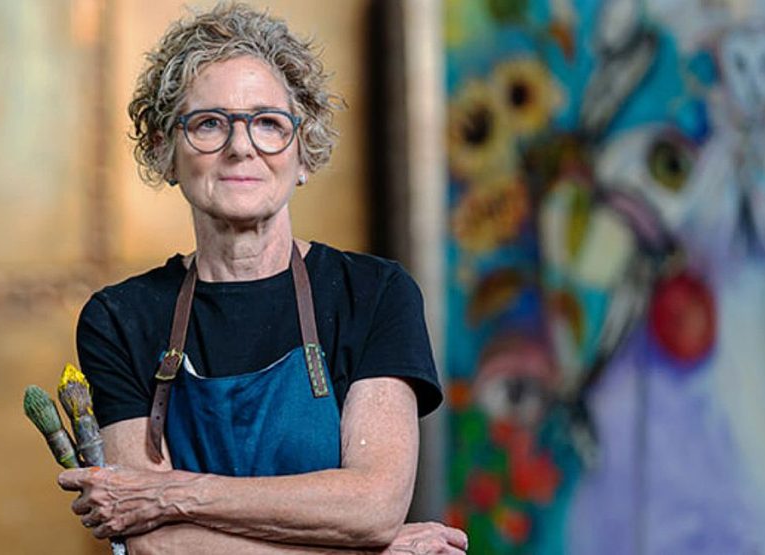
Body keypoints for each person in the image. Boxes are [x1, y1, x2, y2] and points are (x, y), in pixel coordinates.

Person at [57, 3, 468, 553]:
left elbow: (372, 507)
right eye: (209, 123)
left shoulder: (374, 295)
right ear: (164, 151)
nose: (240, 146)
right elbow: (157, 547)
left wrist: (172, 494)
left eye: (269, 123)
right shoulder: (119, 319)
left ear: (303, 152)